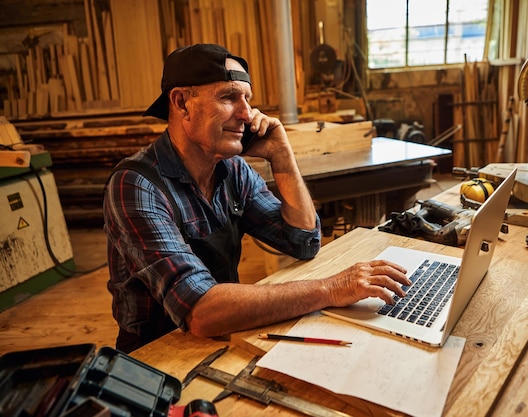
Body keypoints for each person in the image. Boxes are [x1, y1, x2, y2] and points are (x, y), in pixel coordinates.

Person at [103, 44, 410, 353]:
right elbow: (200, 311)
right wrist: (330, 288)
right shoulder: (136, 185)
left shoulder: (232, 169)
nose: (247, 114)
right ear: (182, 103)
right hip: (156, 353)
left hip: (224, 332)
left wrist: (282, 156)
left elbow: (303, 241)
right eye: (228, 97)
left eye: (247, 99)